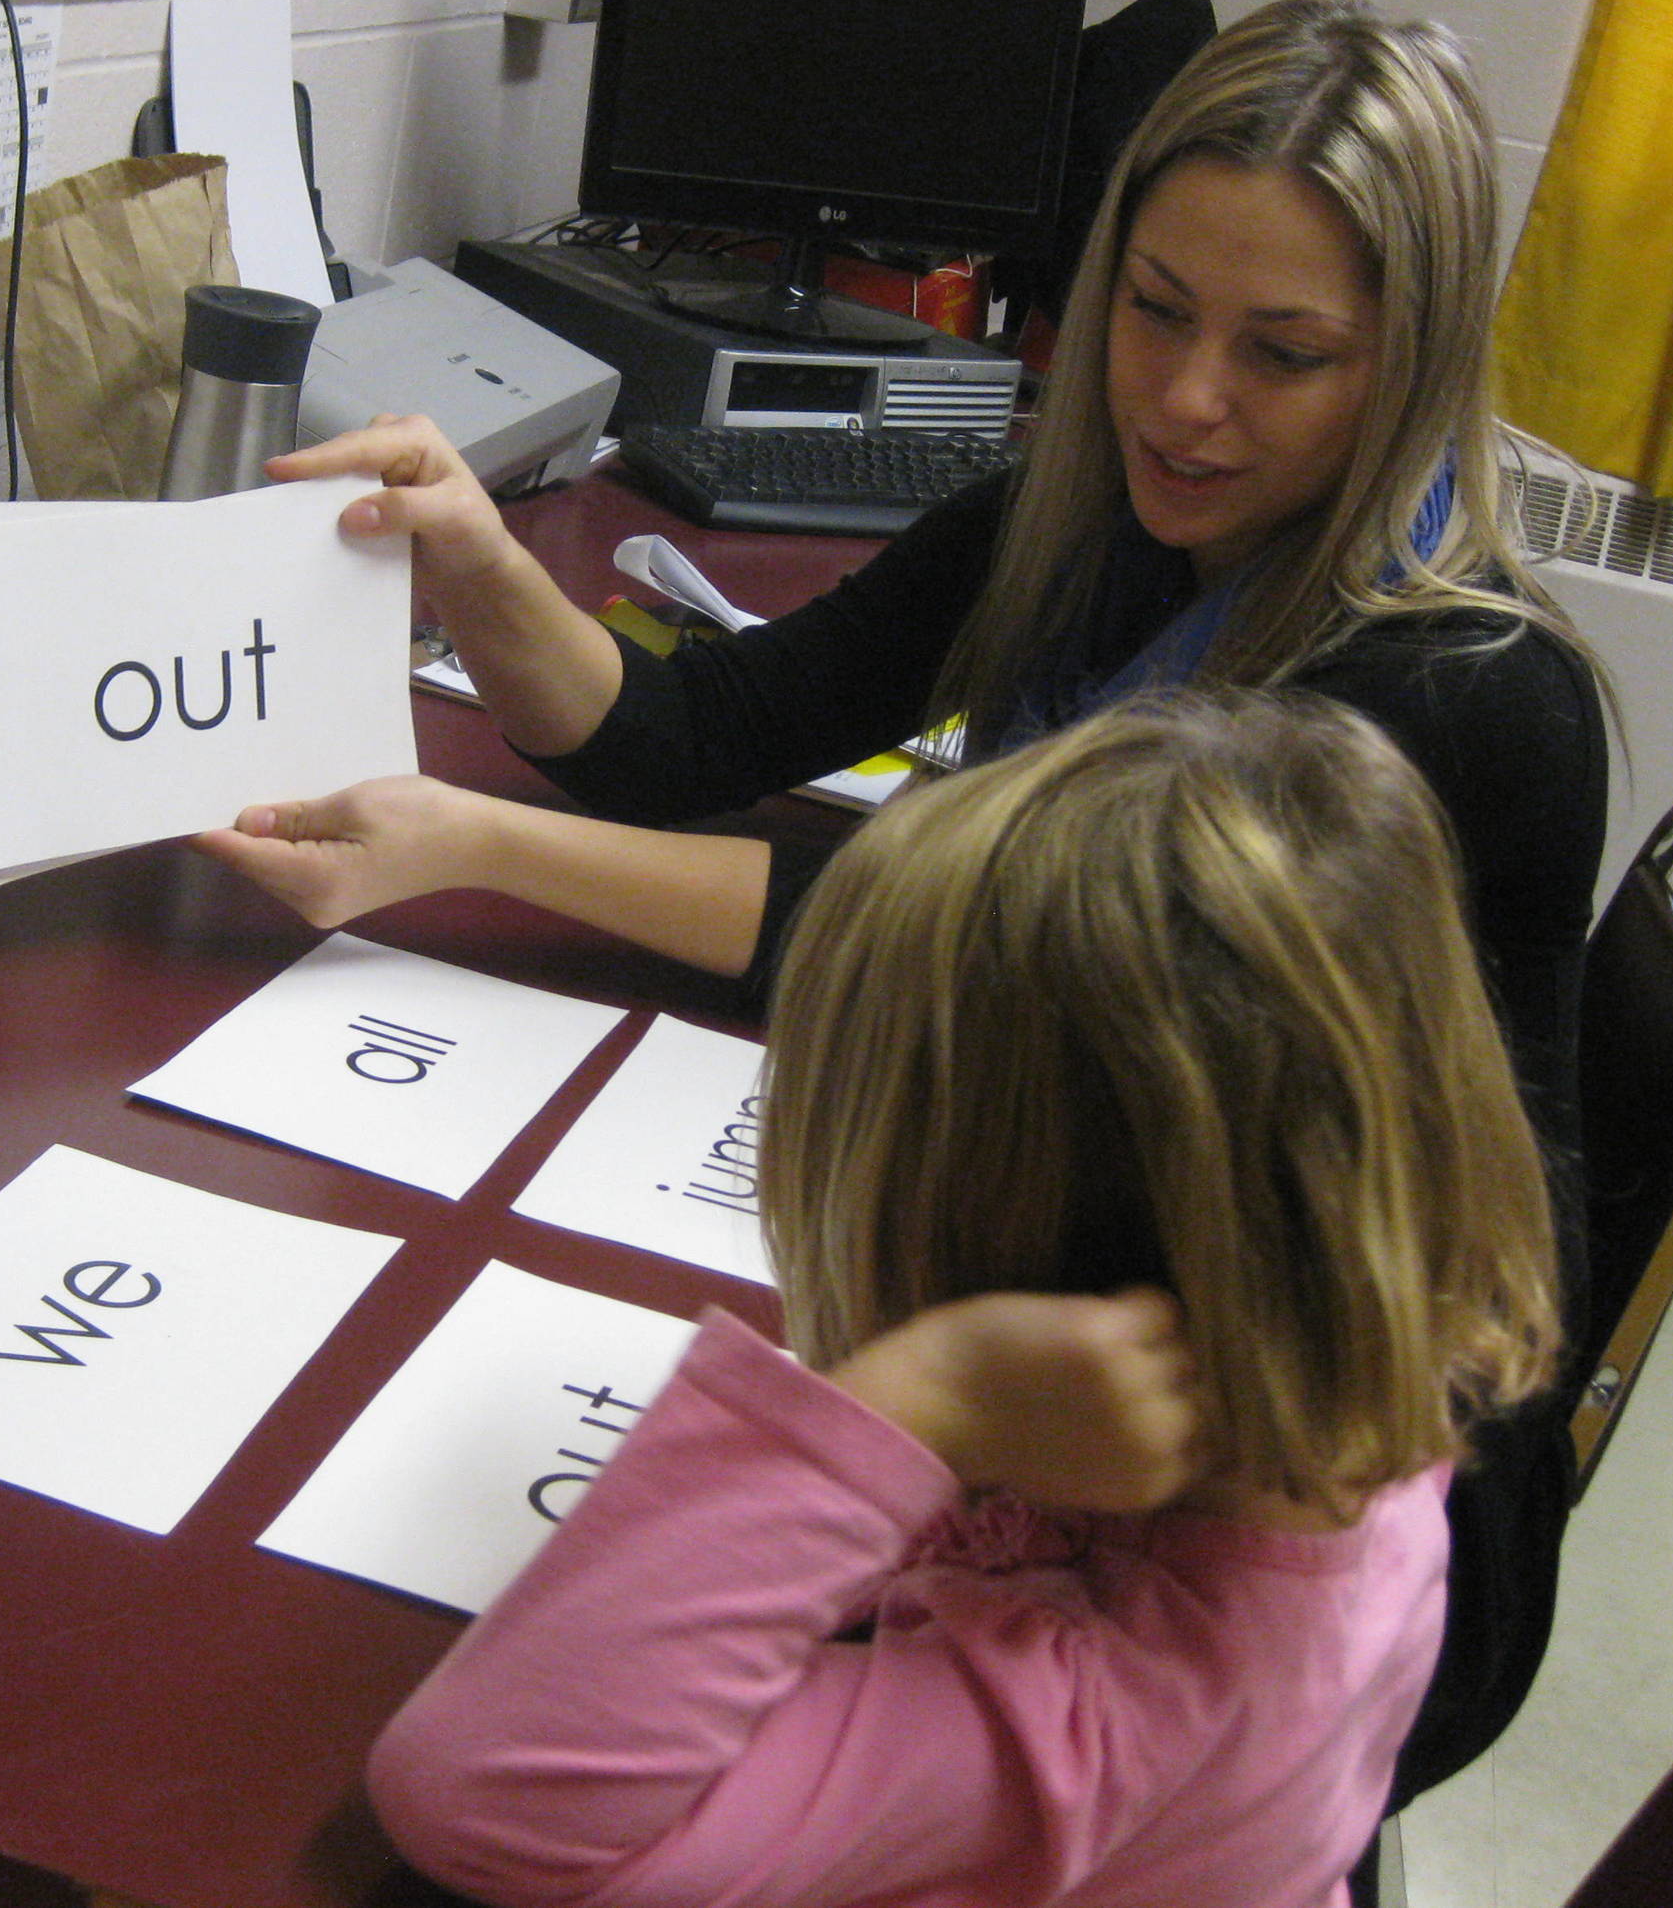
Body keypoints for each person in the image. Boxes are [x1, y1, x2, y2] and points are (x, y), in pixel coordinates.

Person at [198, 0, 1608, 1789]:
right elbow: (706, 729)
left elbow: (919, 958)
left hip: (1312, 1485)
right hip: (1065, 1286)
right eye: (1157, 311)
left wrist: (477, 842)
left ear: (1403, 365)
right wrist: (475, 557)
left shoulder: (1452, 703)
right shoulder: (1089, 528)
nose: (1186, 399)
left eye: (1284, 354)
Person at [365, 694, 1567, 1908]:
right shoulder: (1348, 1394)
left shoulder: (1104, 1717)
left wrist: (913, 1403)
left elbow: (491, 1802)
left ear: (1016, 1278)